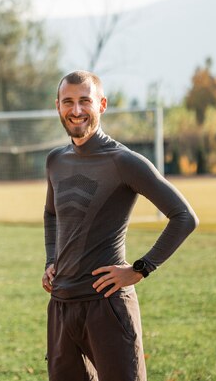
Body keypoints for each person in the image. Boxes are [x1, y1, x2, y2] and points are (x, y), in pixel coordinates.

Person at [42, 70, 198, 381]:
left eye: (84, 101)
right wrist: (51, 259)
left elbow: (184, 217)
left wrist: (139, 269)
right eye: (68, 102)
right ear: (57, 105)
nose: (76, 111)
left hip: (107, 307)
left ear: (101, 104)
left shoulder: (124, 162)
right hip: (61, 306)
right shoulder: (55, 160)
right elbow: (51, 214)